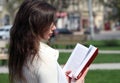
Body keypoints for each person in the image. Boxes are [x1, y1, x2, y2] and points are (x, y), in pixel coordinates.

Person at [8, 0, 89, 83]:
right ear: (38, 24)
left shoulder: (19, 53)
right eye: (50, 22)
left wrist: (60, 77)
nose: (54, 27)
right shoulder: (45, 60)